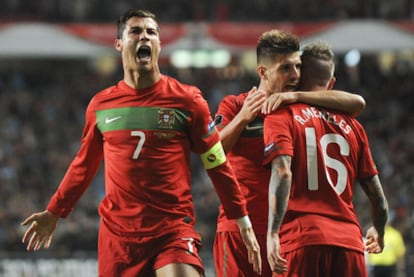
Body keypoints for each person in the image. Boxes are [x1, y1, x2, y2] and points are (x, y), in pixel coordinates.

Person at [20, 9, 262, 277]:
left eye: (152, 32)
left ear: (159, 44)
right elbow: (83, 166)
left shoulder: (188, 100)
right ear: (119, 43)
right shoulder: (101, 106)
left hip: (172, 230)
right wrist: (54, 211)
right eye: (136, 31)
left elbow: (216, 162)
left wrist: (241, 219)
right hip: (118, 238)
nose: (144, 37)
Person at [213, 30, 366, 277]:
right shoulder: (235, 105)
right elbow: (212, 153)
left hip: (289, 235)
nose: (295, 75)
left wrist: (296, 95)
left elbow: (357, 103)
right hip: (241, 229)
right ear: (263, 72)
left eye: (297, 66)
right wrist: (242, 118)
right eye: (286, 68)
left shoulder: (300, 107)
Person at [263, 41, 389, 276]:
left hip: (302, 240)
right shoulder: (355, 127)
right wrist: (379, 231)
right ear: (331, 84)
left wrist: (272, 232)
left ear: (298, 77)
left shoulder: (281, 114)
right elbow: (379, 200)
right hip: (350, 244)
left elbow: (282, 172)